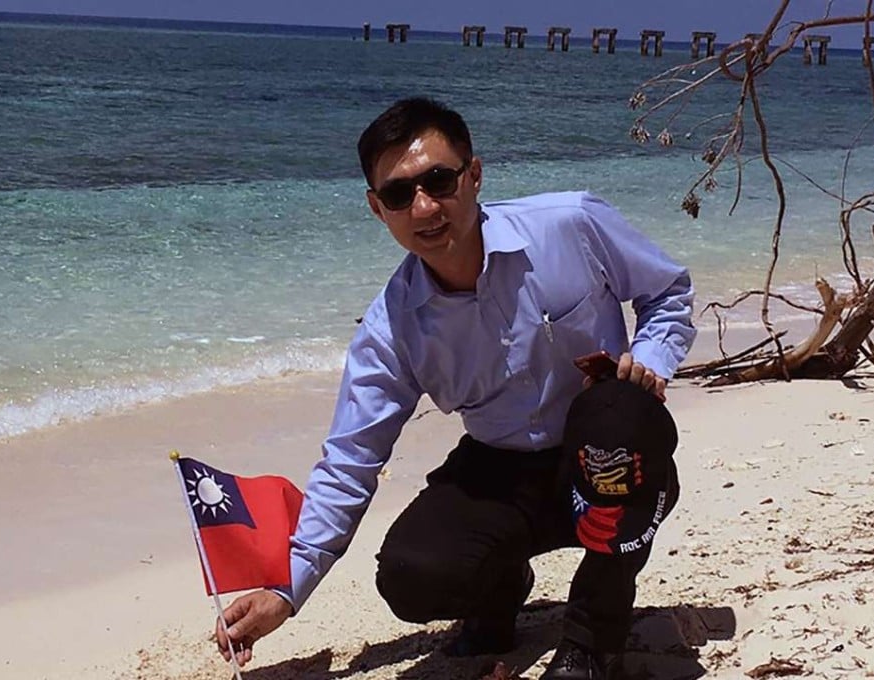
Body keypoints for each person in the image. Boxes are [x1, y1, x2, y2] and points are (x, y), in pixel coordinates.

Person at [215, 97, 696, 679]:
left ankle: (593, 639)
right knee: (409, 575)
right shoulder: (392, 327)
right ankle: (499, 588)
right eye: (398, 194)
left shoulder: (570, 224)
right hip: (500, 467)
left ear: (474, 174)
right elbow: (350, 460)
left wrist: (648, 360)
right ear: (377, 209)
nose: (424, 207)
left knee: (618, 418)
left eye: (439, 180)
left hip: (604, 456)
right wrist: (286, 590)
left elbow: (667, 292)